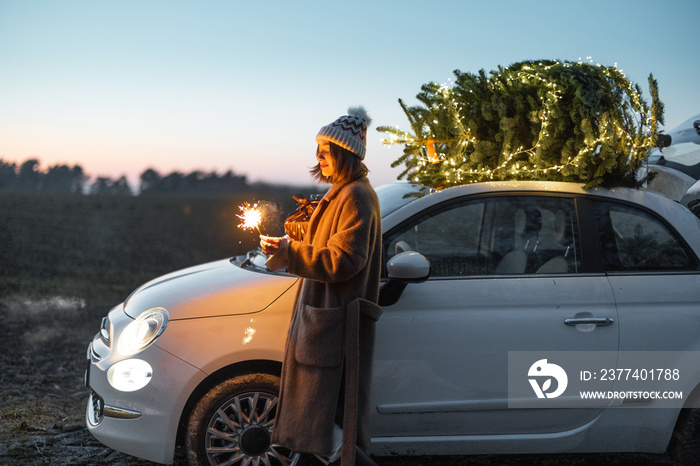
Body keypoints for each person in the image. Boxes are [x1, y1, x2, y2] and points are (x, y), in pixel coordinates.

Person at [259, 107, 382, 466]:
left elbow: (344, 260)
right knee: (321, 433)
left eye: (326, 151)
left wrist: (290, 252)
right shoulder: (344, 193)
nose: (319, 158)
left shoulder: (356, 196)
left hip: (335, 326)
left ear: (346, 153)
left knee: (328, 434)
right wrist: (295, 235)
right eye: (318, 151)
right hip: (327, 323)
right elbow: (332, 240)